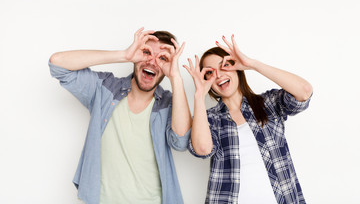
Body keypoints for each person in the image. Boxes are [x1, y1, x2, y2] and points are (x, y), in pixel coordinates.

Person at [49, 28, 191, 204]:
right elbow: (57, 64)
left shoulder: (170, 103)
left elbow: (181, 142)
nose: (153, 62)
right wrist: (124, 55)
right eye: (146, 52)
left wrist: (176, 76)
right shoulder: (105, 89)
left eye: (163, 58)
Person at [184, 34, 313, 204]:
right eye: (210, 72)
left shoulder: (267, 104)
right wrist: (199, 95)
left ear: (237, 68)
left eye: (224, 66)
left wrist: (252, 64)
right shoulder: (210, 119)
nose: (219, 75)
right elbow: (202, 148)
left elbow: (304, 91)